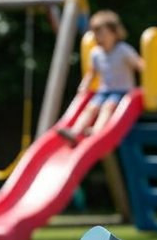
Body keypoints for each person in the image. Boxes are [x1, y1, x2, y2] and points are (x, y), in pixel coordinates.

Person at [58, 10, 144, 145]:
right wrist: (84, 85)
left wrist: (149, 75)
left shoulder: (123, 50)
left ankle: (96, 131)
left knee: (108, 106)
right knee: (91, 107)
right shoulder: (96, 53)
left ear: (114, 34)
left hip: (122, 92)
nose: (98, 38)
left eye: (102, 34)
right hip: (103, 90)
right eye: (95, 34)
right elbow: (91, 73)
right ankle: (75, 132)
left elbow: (139, 64)